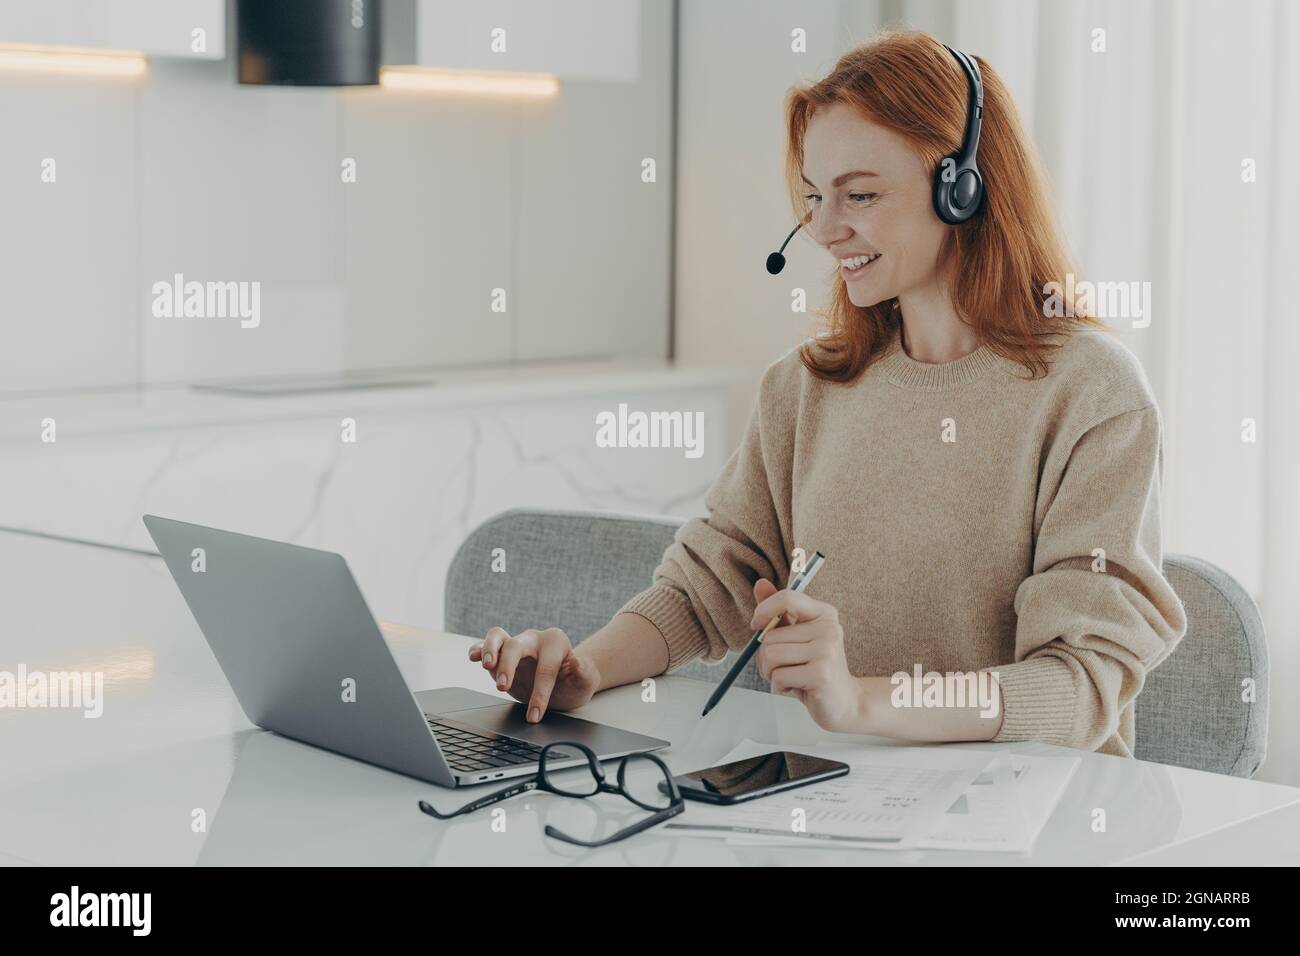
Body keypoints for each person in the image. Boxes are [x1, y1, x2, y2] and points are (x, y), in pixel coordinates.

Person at [469, 30, 1187, 757]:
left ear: (962, 188)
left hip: (1034, 820)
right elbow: (708, 584)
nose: (823, 227)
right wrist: (587, 669)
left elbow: (1078, 682)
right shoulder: (806, 386)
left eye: (861, 194)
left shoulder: (1092, 393)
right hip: (844, 804)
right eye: (814, 197)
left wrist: (861, 700)